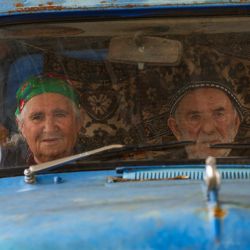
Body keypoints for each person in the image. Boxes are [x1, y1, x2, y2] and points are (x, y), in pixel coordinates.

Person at [0, 74, 83, 167]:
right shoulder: (6, 168)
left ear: (78, 121)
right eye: (37, 117)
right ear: (21, 125)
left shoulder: (100, 165)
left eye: (60, 115)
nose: (49, 128)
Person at [167, 81, 242, 159]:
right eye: (195, 117)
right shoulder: (159, 168)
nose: (208, 129)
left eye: (219, 115)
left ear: (235, 124)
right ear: (176, 129)